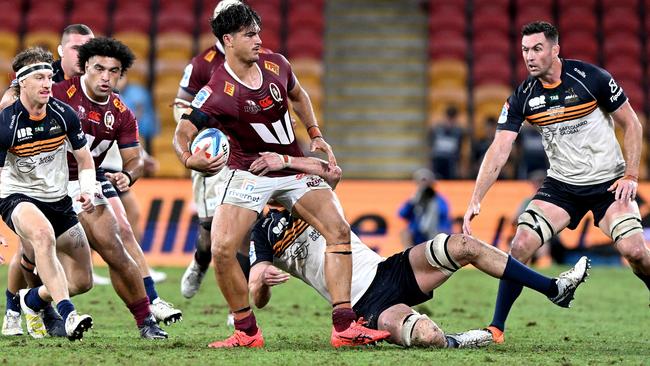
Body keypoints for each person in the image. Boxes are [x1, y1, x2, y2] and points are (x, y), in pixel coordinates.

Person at [173, 2, 390, 348]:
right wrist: (189, 159)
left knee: (338, 230)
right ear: (228, 40)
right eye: (250, 35)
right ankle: (246, 332)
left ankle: (344, 326)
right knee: (223, 248)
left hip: (290, 165)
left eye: (259, 32)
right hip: (249, 171)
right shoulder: (215, 91)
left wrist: (315, 133)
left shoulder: (278, 65)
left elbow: (299, 95)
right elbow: (182, 133)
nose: (259, 40)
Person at [462, 21, 650, 344]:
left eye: (537, 49)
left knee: (635, 252)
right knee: (520, 245)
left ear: (555, 50)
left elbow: (632, 124)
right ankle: (496, 329)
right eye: (524, 50)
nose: (529, 57)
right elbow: (499, 148)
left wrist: (631, 175)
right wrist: (476, 198)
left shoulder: (592, 79)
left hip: (608, 183)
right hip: (562, 187)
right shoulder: (523, 96)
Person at [249, 208, 591, 348]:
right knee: (427, 336)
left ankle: (553, 289)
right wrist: (262, 281)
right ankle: (460, 340)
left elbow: (328, 172)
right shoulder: (260, 231)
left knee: (463, 244)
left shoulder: (310, 193)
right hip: (363, 304)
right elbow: (257, 296)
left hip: (388, 269)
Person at [52, 37, 173, 338]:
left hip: (85, 182)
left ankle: (146, 320)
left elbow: (136, 160)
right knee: (49, 265)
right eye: (99, 69)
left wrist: (128, 177)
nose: (106, 77)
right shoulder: (58, 95)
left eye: (113, 71)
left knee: (116, 246)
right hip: (44, 185)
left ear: (121, 74)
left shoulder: (121, 112)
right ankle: (22, 305)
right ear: (85, 69)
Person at [175, 0, 268, 300]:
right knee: (210, 229)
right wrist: (202, 133)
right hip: (214, 153)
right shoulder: (202, 63)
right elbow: (180, 105)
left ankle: (235, 307)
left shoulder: (259, 57)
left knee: (245, 227)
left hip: (247, 153)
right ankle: (200, 262)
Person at [0, 47, 94, 341]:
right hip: (17, 196)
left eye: (49, 77)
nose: (47, 83)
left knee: (83, 280)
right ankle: (68, 315)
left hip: (59, 200)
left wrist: (88, 190)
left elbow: (85, 160)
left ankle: (31, 301)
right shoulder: (7, 124)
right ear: (22, 82)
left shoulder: (64, 115)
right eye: (39, 77)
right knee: (42, 236)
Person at [398, 168, 451, 247]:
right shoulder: (414, 199)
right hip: (417, 233)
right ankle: (408, 256)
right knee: (405, 233)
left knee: (443, 234)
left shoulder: (439, 199)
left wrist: (431, 202)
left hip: (435, 231)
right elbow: (402, 214)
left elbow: (443, 213)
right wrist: (412, 202)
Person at [429, 105, 466, 179]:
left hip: (451, 162)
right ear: (445, 117)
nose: (450, 122)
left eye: (452, 119)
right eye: (449, 119)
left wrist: (460, 166)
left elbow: (459, 150)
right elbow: (431, 147)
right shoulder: (436, 129)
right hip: (438, 160)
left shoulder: (458, 132)